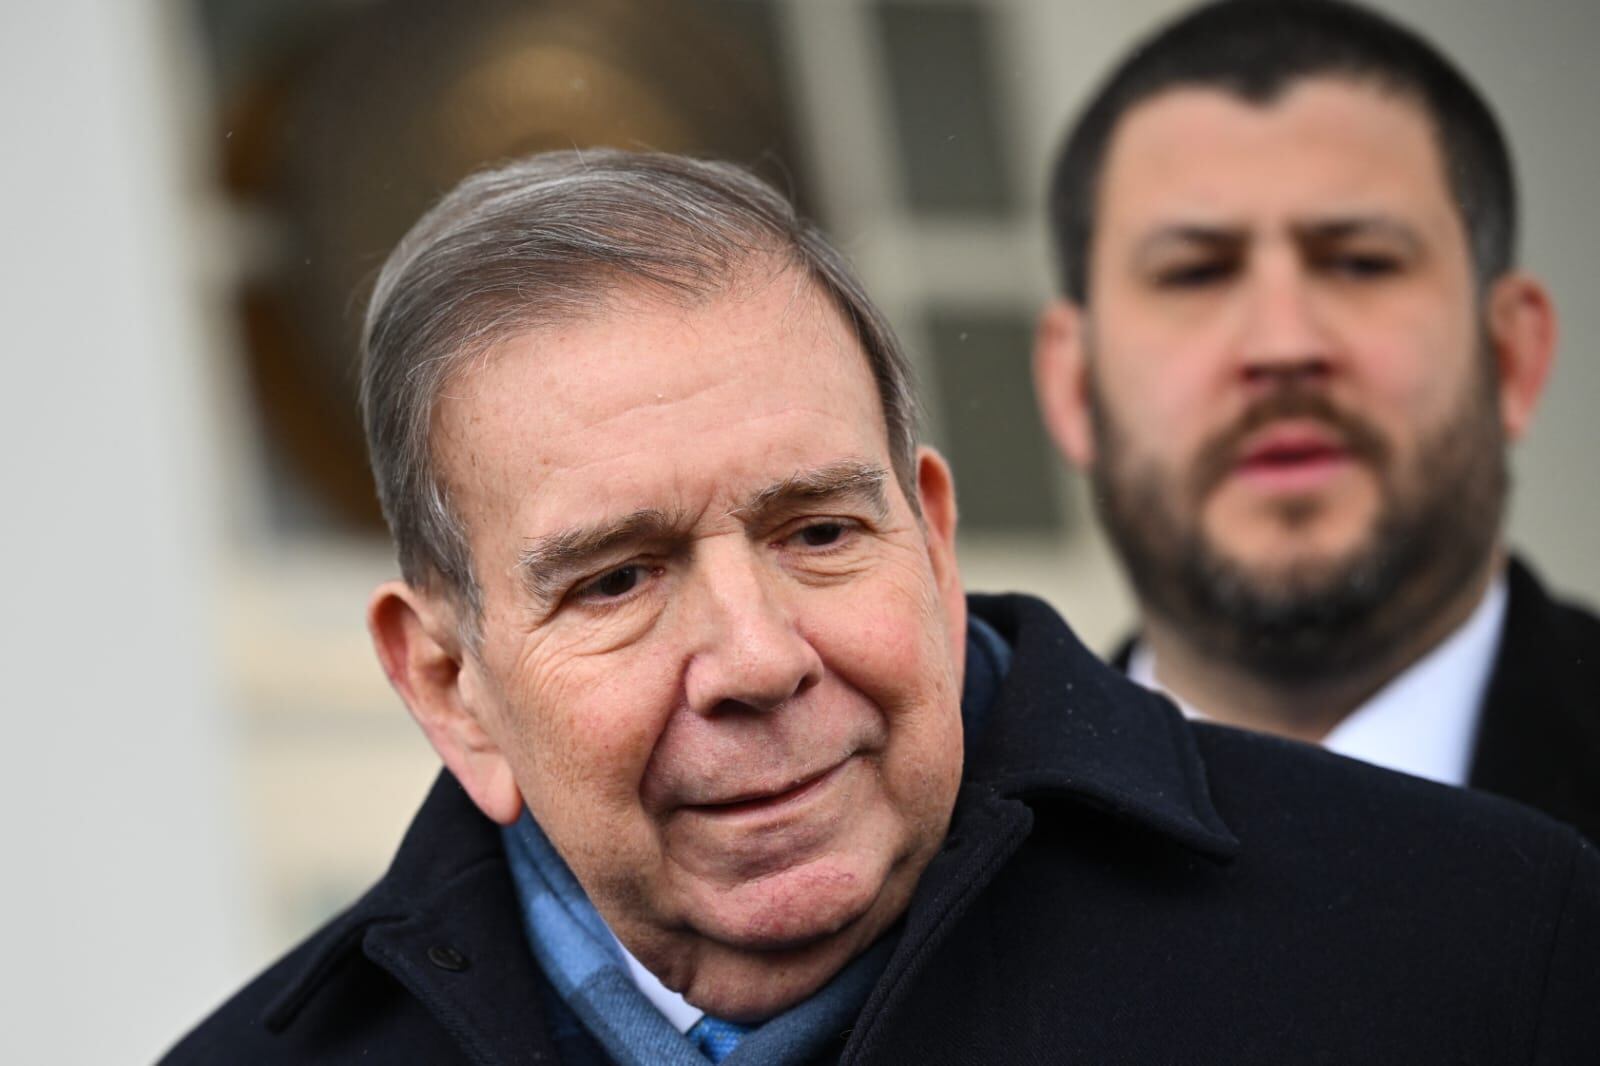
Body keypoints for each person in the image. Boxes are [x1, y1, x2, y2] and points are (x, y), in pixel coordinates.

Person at [166, 150, 1599, 1064]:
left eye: (819, 529)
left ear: (932, 530)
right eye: (617, 577)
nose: (757, 657)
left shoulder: (1479, 947)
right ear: (448, 681)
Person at [1033, 0, 1600, 841]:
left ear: (1511, 356)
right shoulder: (947, 872)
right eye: (1195, 272)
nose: (1283, 344)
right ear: (1075, 388)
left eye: (1360, 262)